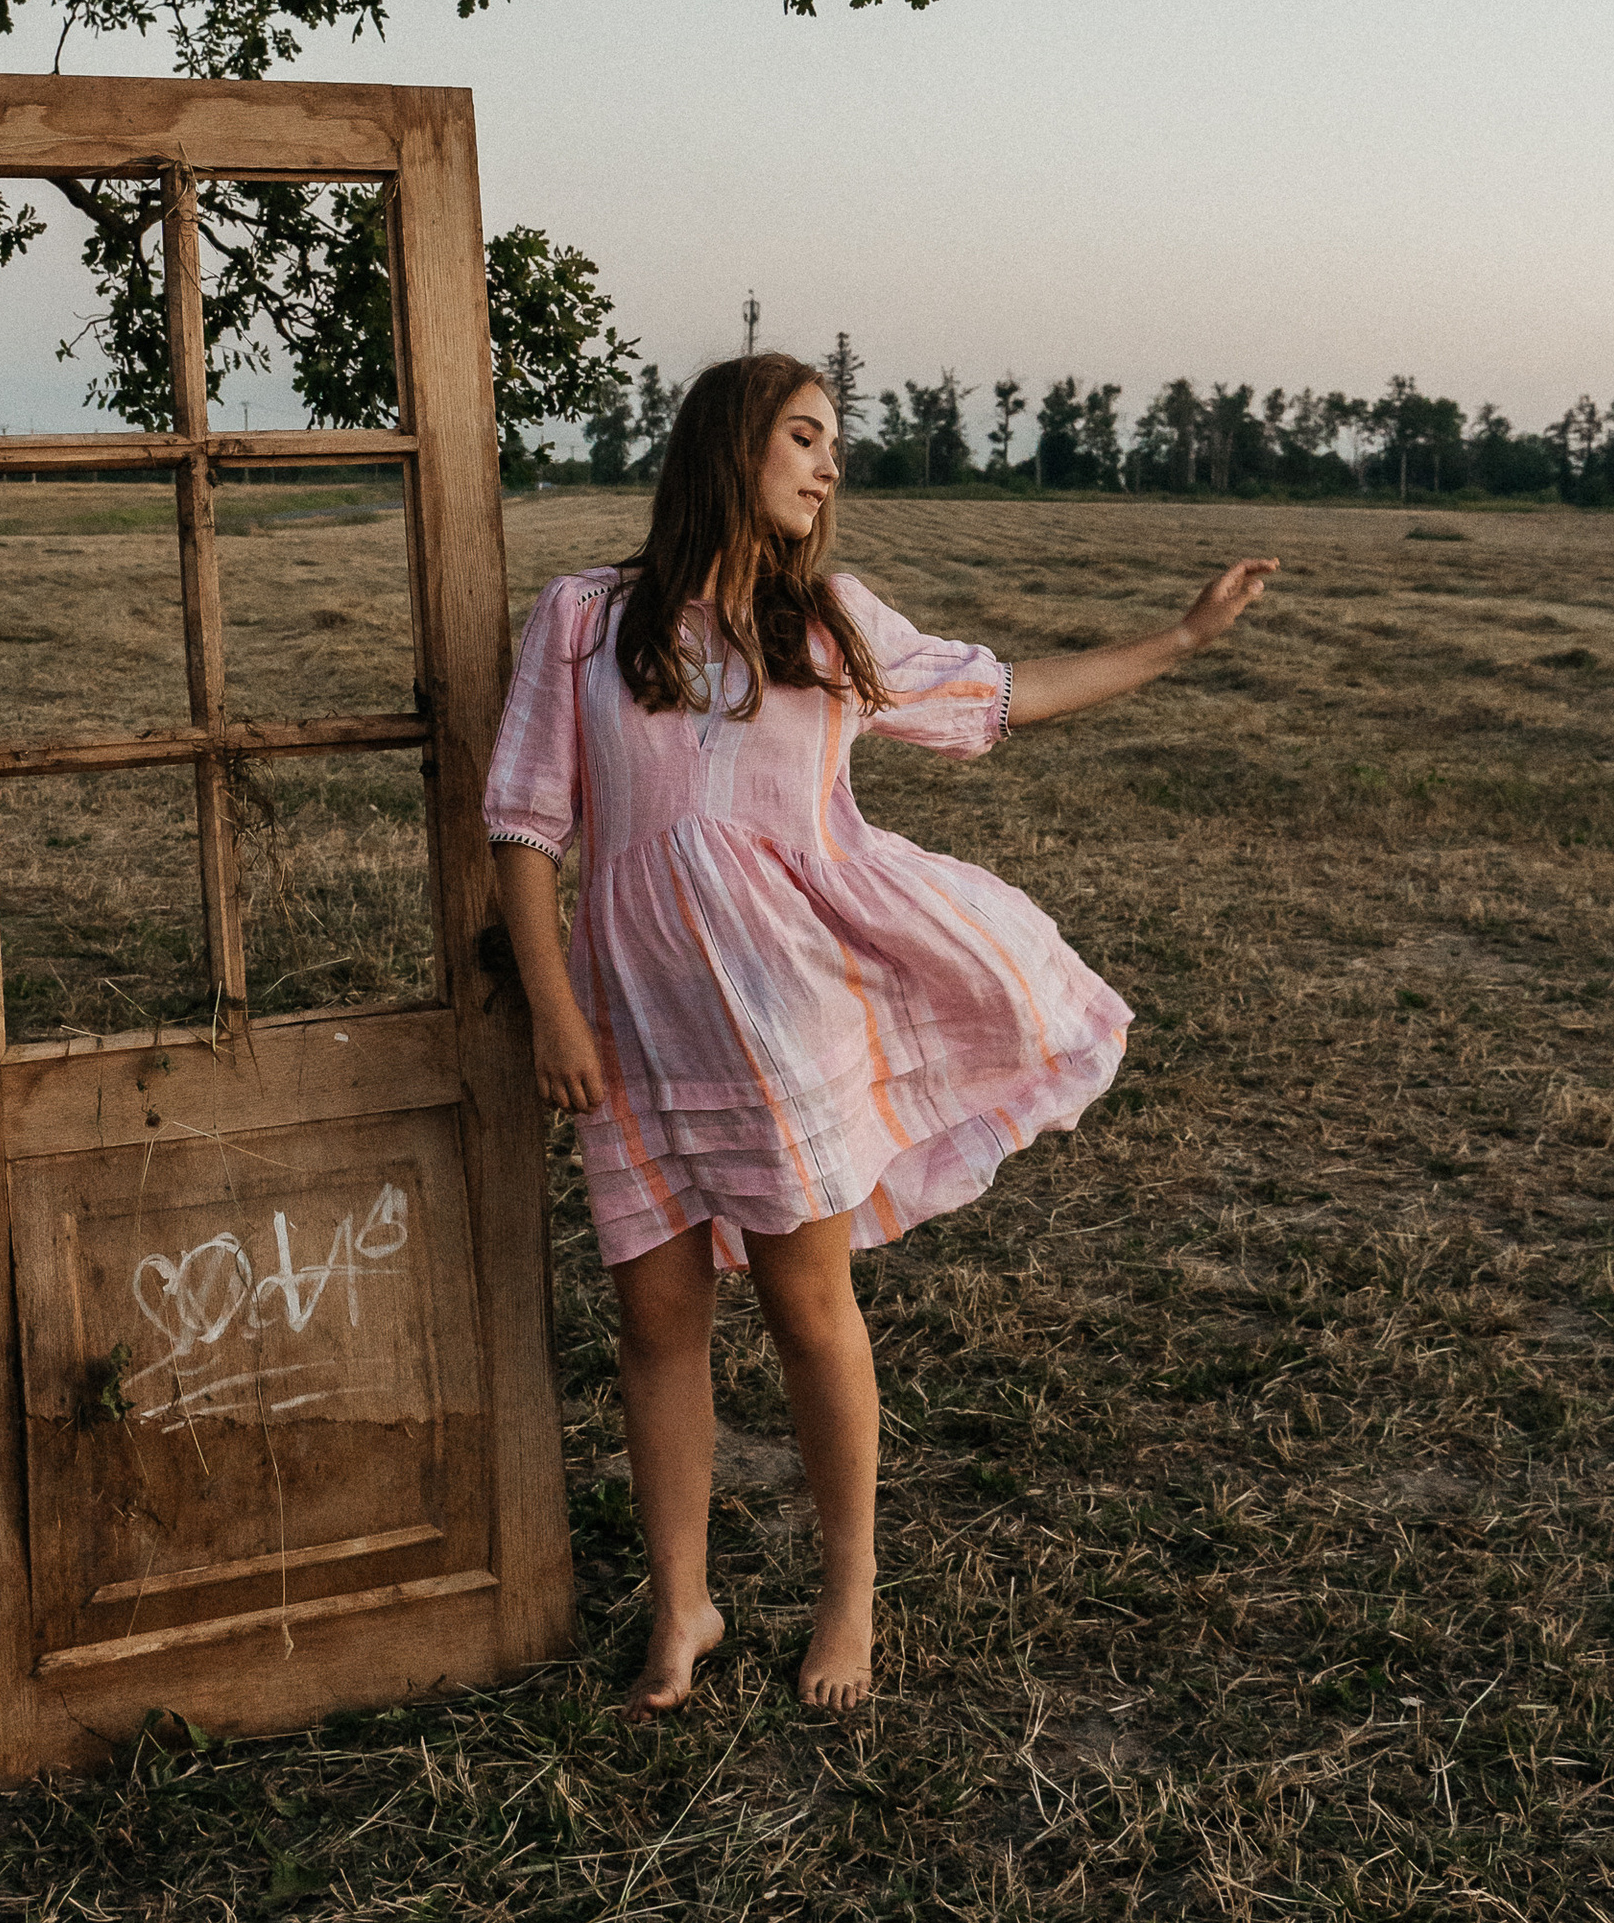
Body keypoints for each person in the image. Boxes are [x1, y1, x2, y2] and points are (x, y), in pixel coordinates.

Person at [483, 352, 1275, 1719]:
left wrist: (1180, 642)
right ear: (732, 443)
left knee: (805, 1305)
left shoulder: (830, 623)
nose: (827, 462)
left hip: (779, 1019)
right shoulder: (584, 619)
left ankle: (847, 1589)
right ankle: (687, 1608)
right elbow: (524, 824)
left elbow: (1002, 696)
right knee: (656, 1317)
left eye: (834, 442)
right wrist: (552, 1008)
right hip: (626, 1027)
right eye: (803, 435)